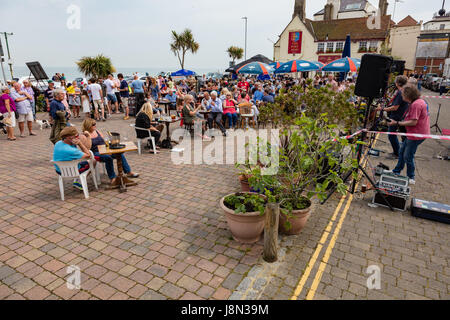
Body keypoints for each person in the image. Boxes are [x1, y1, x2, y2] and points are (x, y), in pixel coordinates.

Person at [389, 85, 430, 185]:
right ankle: (397, 171)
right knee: (402, 151)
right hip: (414, 133)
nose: (402, 96)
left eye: (403, 94)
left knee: (408, 155)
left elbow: (413, 122)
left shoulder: (416, 105)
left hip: (416, 134)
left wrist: (397, 123)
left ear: (408, 95)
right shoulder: (418, 101)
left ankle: (411, 176)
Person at [82, 118, 139, 184]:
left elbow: (104, 141)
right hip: (95, 153)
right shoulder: (85, 135)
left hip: (104, 150)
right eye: (93, 124)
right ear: (88, 125)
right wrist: (88, 136)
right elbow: (87, 148)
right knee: (108, 158)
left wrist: (109, 146)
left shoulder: (97, 131)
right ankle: (112, 177)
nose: (95, 125)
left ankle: (128, 172)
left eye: (95, 124)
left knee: (119, 153)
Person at [377, 75, 409, 158]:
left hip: (396, 116)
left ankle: (397, 153)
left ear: (397, 83)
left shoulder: (400, 92)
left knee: (391, 135)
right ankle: (399, 151)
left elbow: (395, 107)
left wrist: (382, 109)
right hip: (400, 115)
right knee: (397, 135)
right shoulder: (403, 91)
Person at [52, 126, 93, 191]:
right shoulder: (72, 151)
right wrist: (80, 143)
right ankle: (79, 181)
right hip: (72, 171)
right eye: (76, 136)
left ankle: (77, 180)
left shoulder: (58, 143)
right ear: (69, 137)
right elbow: (88, 155)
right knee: (93, 161)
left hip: (59, 170)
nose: (78, 137)